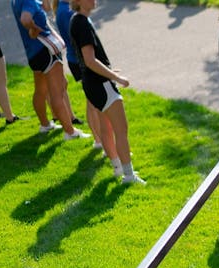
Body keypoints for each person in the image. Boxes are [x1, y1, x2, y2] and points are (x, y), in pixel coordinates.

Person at [69, 0, 144, 184]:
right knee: (121, 129)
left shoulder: (76, 20)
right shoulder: (82, 23)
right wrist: (115, 77)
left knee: (107, 127)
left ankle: (118, 168)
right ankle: (128, 175)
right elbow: (90, 60)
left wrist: (110, 71)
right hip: (101, 83)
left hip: (92, 83)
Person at [11, 0, 88, 139]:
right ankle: (70, 132)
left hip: (33, 53)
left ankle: (45, 124)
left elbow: (45, 7)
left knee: (41, 91)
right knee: (57, 92)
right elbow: (25, 18)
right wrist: (34, 28)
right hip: (45, 49)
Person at [49, 0, 97, 147]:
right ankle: (98, 138)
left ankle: (98, 138)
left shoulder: (63, 8)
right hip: (79, 59)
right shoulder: (67, 11)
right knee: (94, 101)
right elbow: (78, 37)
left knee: (93, 100)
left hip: (76, 58)